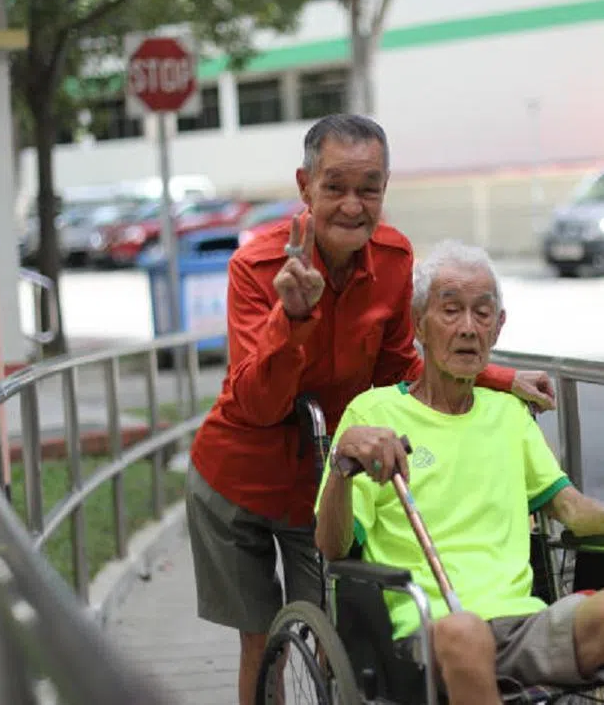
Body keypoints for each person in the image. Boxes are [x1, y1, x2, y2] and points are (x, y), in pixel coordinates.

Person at [186, 114, 558, 705]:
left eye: (370, 188)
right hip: (239, 476)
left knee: (331, 634)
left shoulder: (393, 258)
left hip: (326, 479)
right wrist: (292, 318)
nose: (353, 205)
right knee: (261, 643)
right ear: (305, 185)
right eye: (335, 187)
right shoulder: (256, 268)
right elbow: (257, 402)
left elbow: (401, 365)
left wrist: (498, 377)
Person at [315, 239, 604, 705]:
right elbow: (331, 546)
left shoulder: (509, 415)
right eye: (450, 310)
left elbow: (568, 506)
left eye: (482, 313)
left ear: (498, 327)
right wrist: (343, 467)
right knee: (466, 634)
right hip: (430, 633)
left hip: (524, 623)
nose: (468, 328)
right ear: (418, 323)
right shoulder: (373, 413)